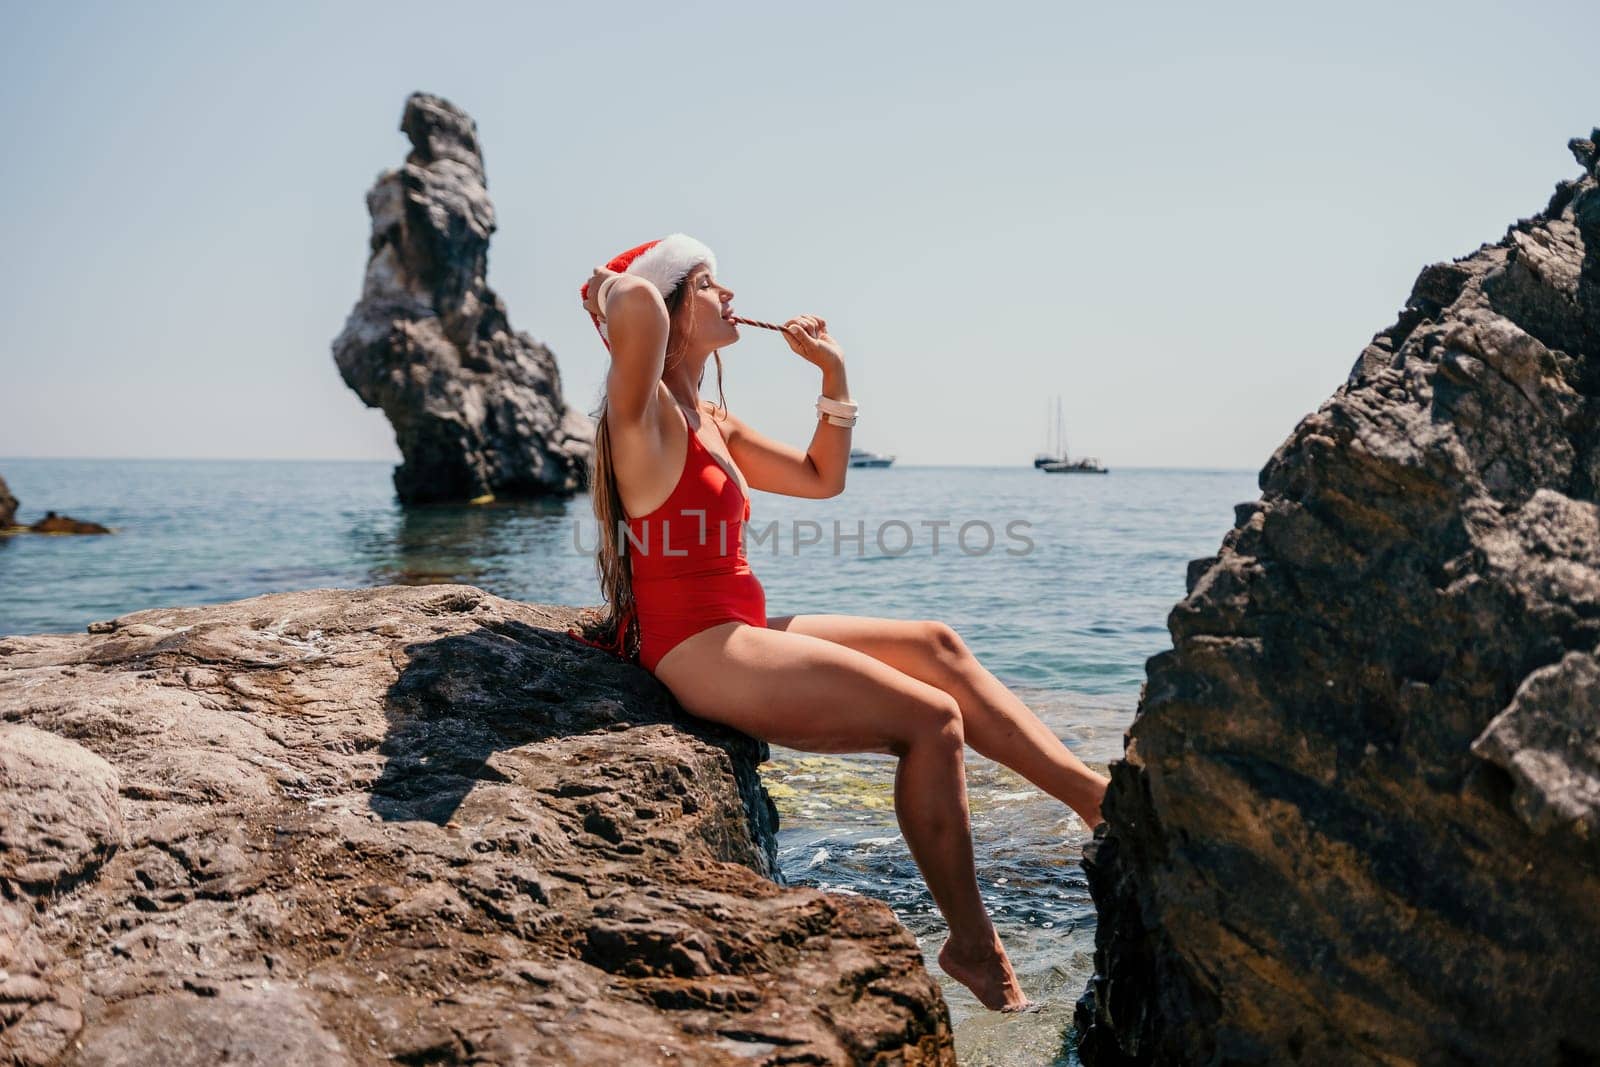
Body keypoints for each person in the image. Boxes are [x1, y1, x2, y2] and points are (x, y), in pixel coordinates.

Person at [568, 233, 1109, 1012]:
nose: (732, 298)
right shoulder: (643, 412)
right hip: (694, 646)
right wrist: (605, 286)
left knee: (936, 646)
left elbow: (824, 479)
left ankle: (1091, 798)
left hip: (738, 622)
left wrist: (833, 372)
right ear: (676, 302)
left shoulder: (708, 416)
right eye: (712, 285)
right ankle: (974, 945)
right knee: (932, 722)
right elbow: (639, 308)